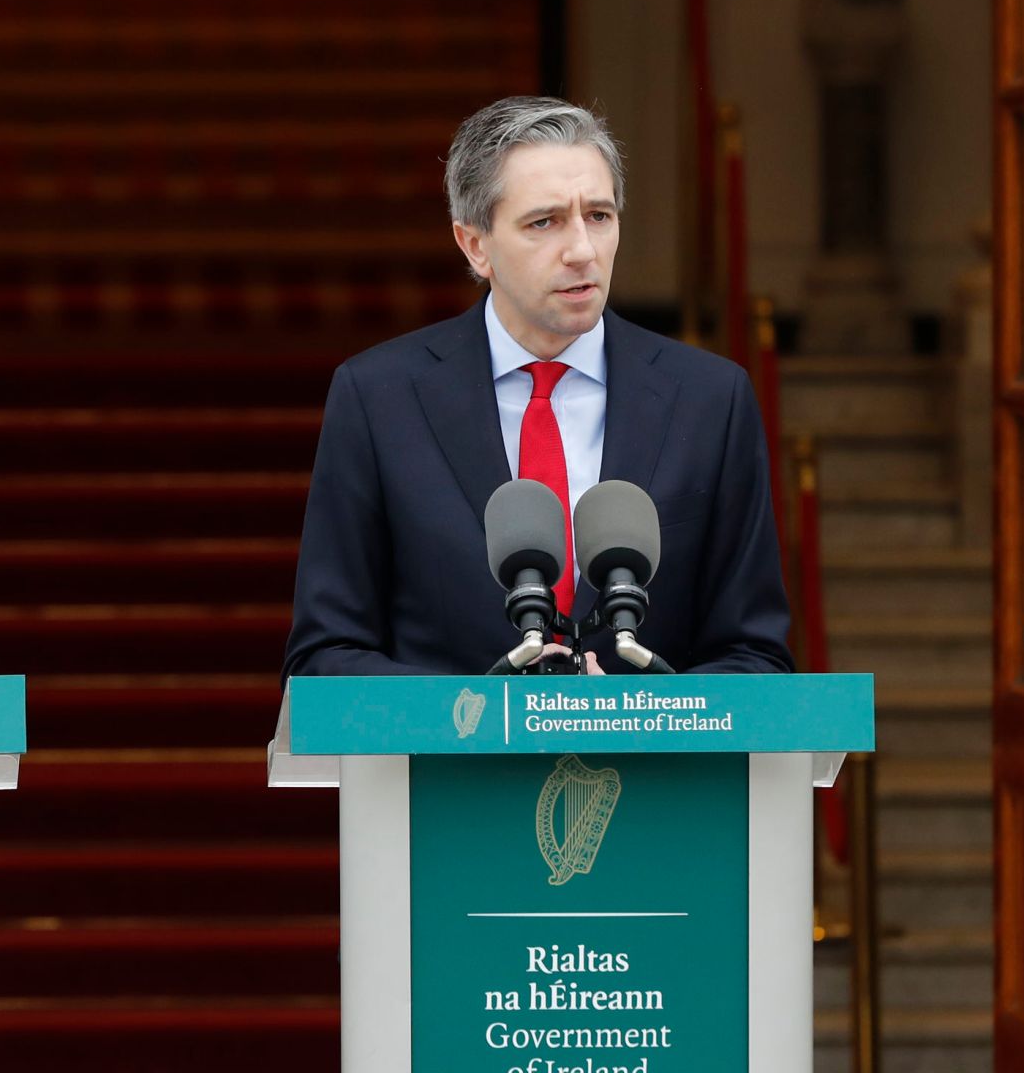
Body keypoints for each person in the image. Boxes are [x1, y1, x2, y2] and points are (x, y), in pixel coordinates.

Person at [284, 95, 793, 678]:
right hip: (450, 768)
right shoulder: (378, 399)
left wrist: (639, 715)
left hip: (651, 767)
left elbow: (757, 657)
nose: (581, 250)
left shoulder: (711, 400)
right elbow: (325, 657)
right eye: (544, 222)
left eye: (599, 216)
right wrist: (486, 720)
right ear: (475, 244)